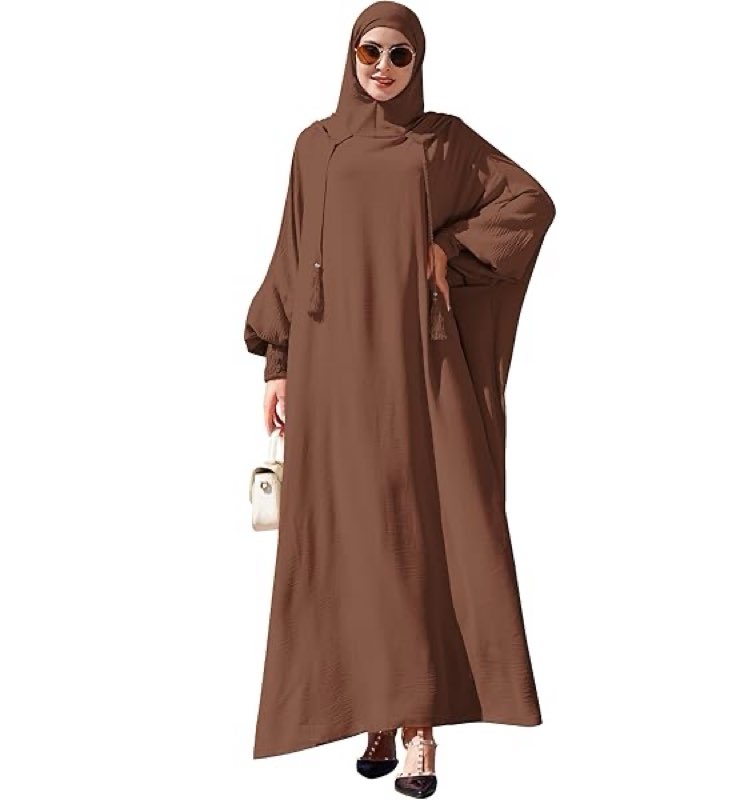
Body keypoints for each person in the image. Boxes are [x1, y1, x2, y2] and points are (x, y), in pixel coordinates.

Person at [243, 2, 556, 796]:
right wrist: (278, 362)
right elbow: (293, 253)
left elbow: (528, 202)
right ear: (350, 56)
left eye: (399, 55)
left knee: (416, 528)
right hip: (333, 368)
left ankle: (418, 729)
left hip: (416, 365)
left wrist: (450, 248)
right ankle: (377, 714)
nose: (381, 67)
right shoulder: (315, 145)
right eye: (369, 51)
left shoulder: (441, 142)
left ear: (418, 63)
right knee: (353, 534)